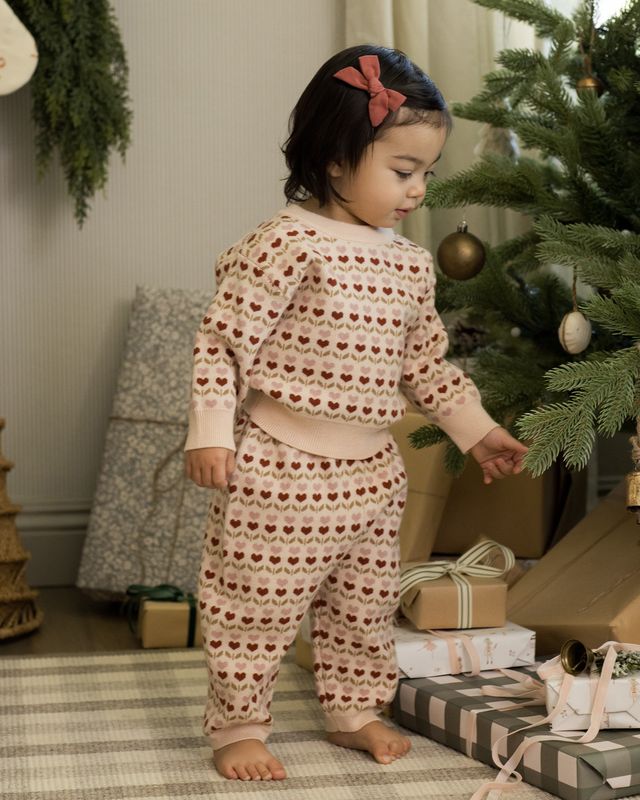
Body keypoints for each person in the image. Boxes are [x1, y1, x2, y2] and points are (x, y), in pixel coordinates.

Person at [184, 44, 528, 782]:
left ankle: (353, 710)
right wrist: (210, 433)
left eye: (426, 173)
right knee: (255, 607)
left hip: (373, 472)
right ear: (336, 161)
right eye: (403, 171)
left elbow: (424, 367)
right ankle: (239, 726)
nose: (418, 191)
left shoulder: (408, 263)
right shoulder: (284, 244)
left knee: (363, 607)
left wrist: (478, 432)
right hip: (281, 469)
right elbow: (222, 343)